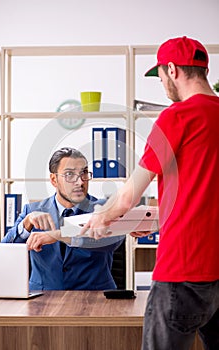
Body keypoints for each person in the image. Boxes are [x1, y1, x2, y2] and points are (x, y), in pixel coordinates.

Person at [81, 36, 219, 349]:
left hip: (182, 274)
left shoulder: (176, 117)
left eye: (160, 77)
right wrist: (155, 220)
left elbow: (129, 194)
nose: (163, 86)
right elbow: (205, 198)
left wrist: (103, 218)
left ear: (172, 70)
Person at [2, 147, 125, 291]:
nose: (80, 182)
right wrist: (27, 223)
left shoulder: (104, 209)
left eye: (84, 173)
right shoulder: (32, 210)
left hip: (94, 299)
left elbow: (112, 240)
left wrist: (58, 235)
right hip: (42, 301)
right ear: (54, 180)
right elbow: (5, 250)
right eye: (70, 175)